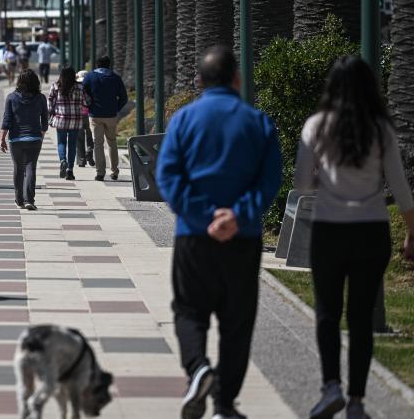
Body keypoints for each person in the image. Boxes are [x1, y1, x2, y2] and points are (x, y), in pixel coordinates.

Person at [155, 46, 282, 419]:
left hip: (193, 236)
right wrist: (237, 216)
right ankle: (225, 404)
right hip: (242, 239)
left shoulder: (183, 120)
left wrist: (204, 214)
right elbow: (269, 179)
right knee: (237, 321)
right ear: (237, 79)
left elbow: (168, 176)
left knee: (189, 310)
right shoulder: (258, 121)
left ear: (198, 80)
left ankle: (198, 369)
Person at [294, 56, 414, 419]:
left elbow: (301, 183)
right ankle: (358, 402)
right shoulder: (381, 129)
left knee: (328, 314)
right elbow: (401, 189)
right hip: (371, 230)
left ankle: (331, 387)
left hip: (330, 229)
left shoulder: (316, 126)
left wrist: (324, 182)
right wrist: (412, 232)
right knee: (361, 318)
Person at [0, 69, 49, 210]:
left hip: (16, 139)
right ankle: (29, 200)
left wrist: (2, 138)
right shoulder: (41, 98)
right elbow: (45, 121)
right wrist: (41, 135)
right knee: (30, 167)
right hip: (34, 138)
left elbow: (7, 120)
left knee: (18, 168)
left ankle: (19, 200)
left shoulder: (11, 98)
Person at [82, 55, 128, 181]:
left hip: (95, 115)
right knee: (112, 142)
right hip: (111, 115)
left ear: (97, 64)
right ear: (109, 65)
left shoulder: (90, 77)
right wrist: (116, 108)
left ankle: (100, 172)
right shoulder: (115, 77)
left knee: (98, 143)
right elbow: (124, 97)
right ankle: (114, 171)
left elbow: (83, 92)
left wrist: (89, 105)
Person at [48, 66, 84, 180]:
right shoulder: (80, 87)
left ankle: (63, 160)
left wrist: (50, 116)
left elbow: (50, 104)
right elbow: (87, 101)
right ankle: (70, 170)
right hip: (75, 120)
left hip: (61, 119)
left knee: (61, 143)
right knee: (72, 144)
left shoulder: (55, 86)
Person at [75, 70, 95, 168]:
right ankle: (89, 151)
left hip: (78, 114)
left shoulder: (76, 87)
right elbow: (90, 100)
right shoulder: (90, 86)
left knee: (79, 137)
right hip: (89, 114)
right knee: (90, 135)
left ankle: (81, 160)